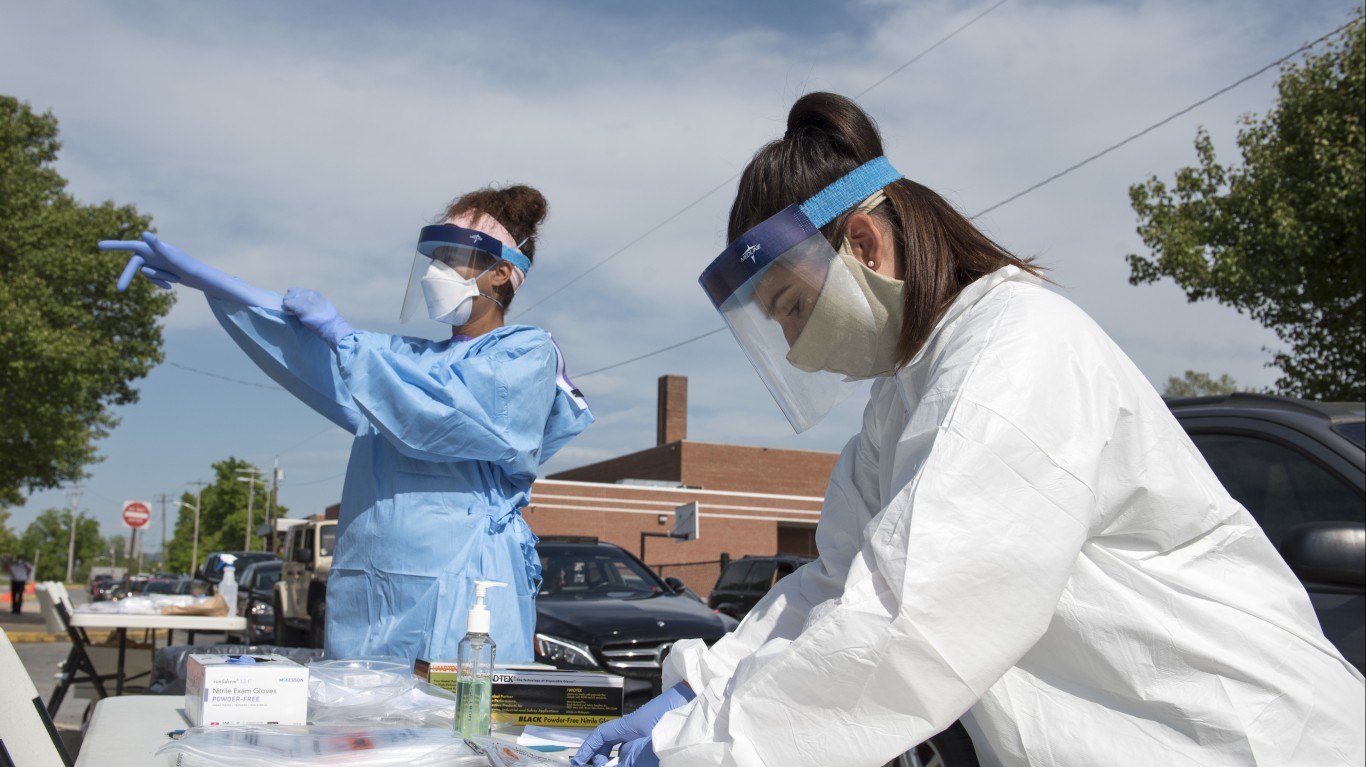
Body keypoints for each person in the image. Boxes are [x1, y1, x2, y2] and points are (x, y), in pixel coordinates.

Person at [572, 93, 1364, 767]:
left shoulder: (1019, 352)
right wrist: (698, 689)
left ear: (865, 245)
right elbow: (831, 590)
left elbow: (912, 616)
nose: (789, 342)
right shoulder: (900, 407)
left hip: (1252, 742)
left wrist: (702, 746)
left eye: (790, 306)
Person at [102, 184, 593, 664]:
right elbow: (316, 351)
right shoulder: (404, 362)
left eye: (454, 257)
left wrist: (344, 337)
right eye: (436, 257)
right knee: (360, 723)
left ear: (503, 274)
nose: (437, 271)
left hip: (464, 594)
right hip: (371, 594)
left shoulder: (524, 354)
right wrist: (208, 279)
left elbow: (441, 413)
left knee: (451, 732)